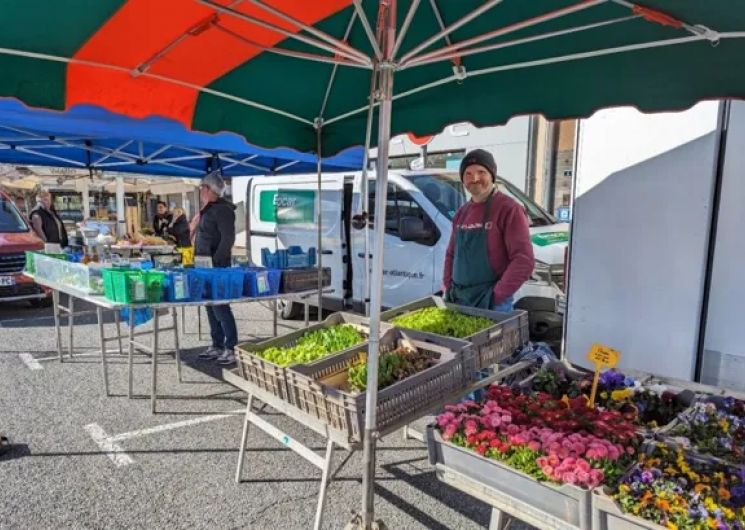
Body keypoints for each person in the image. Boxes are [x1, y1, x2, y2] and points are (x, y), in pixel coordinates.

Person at [443, 149, 534, 312]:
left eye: (481, 172)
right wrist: (447, 286)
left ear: (492, 175)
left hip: (491, 303)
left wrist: (497, 295)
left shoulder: (509, 209)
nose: (475, 178)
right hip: (458, 299)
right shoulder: (461, 214)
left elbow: (523, 260)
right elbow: (451, 254)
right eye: (468, 174)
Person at [195, 172, 238, 365]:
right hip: (204, 265)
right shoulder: (209, 208)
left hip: (216, 267)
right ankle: (217, 344)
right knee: (210, 306)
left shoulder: (223, 210)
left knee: (221, 306)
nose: (200, 191)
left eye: (202, 187)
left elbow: (228, 239)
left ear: (210, 189)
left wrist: (217, 262)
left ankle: (231, 347)